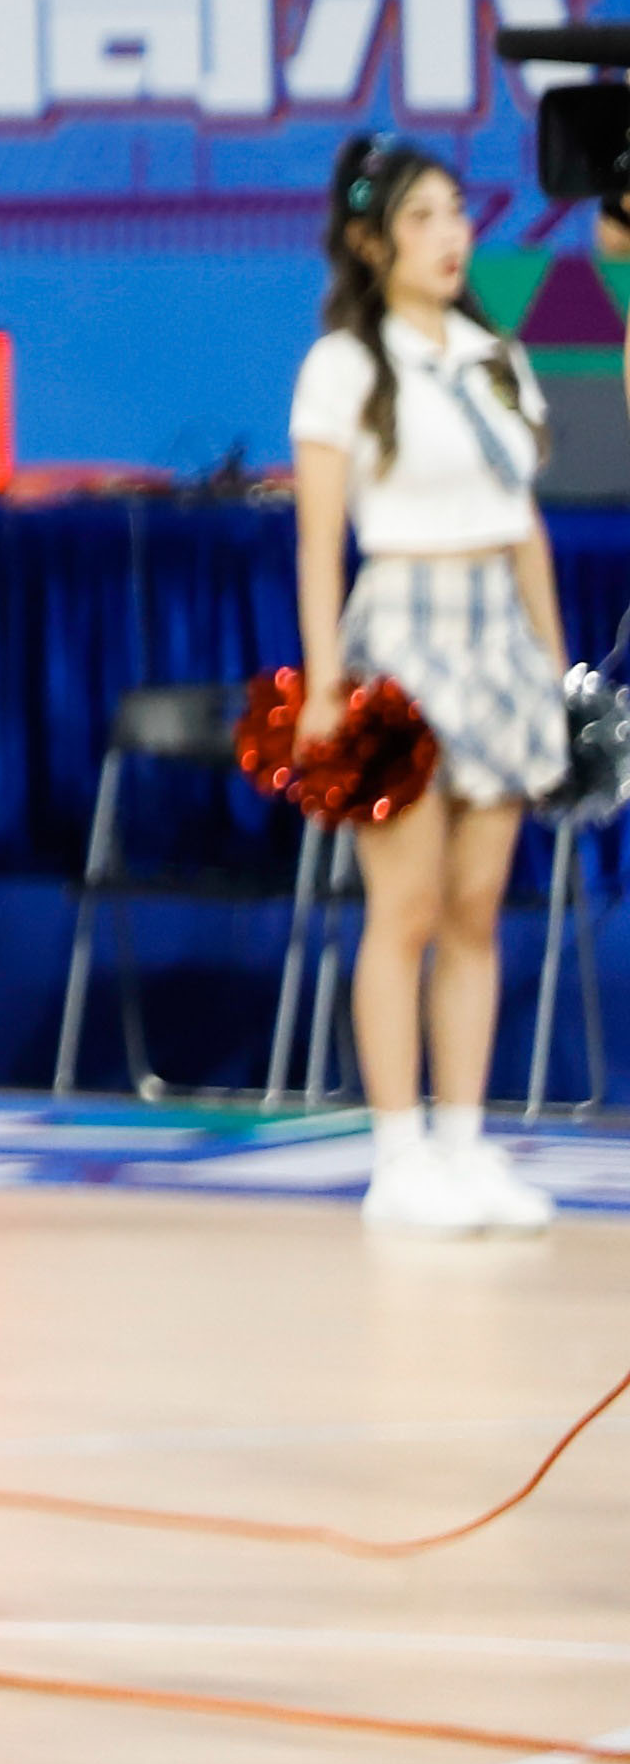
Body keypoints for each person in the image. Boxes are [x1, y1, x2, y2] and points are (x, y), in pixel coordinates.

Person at [294, 132, 569, 1237]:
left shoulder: (494, 355)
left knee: (475, 909)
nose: (451, 237)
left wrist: (553, 666)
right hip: (402, 628)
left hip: (497, 632)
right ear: (370, 243)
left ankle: (464, 1142)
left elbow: (524, 526)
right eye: (422, 218)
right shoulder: (343, 366)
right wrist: (325, 683)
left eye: (458, 213)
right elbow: (319, 540)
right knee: (403, 907)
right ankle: (397, 1151)